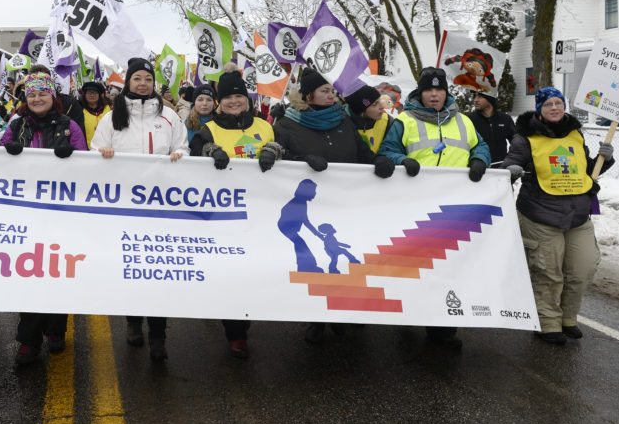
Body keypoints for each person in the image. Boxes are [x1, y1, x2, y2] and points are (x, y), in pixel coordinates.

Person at [275, 69, 396, 343]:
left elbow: (361, 152)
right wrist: (304, 159)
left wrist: (377, 161)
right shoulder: (286, 125)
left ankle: (344, 312)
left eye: (332, 91)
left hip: (346, 204)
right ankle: (316, 317)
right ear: (308, 96)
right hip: (313, 208)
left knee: (344, 258)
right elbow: (280, 161)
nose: (332, 95)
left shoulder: (343, 121)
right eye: (325, 91)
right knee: (316, 261)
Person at [378, 66, 491, 350]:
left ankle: (443, 327)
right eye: (429, 89)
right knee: (416, 265)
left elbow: (481, 146)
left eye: (439, 90)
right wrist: (403, 161)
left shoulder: (464, 121)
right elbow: (387, 151)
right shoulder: (404, 120)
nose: (434, 95)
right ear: (420, 92)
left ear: (446, 93)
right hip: (414, 207)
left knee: (448, 267)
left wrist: (480, 159)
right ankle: (410, 313)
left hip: (455, 209)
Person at [91, 57, 188, 361]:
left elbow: (184, 146)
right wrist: (102, 154)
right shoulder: (111, 118)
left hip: (161, 208)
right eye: (137, 79)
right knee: (132, 270)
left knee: (157, 273)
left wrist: (179, 154)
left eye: (148, 78)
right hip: (124, 208)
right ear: (128, 82)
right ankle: (133, 322)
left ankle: (158, 336)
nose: (143, 83)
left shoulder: (169, 116)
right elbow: (94, 151)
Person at [502, 87, 613, 345]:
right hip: (540, 215)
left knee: (582, 268)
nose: (554, 108)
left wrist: (604, 159)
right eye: (548, 104)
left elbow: (584, 170)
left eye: (558, 103)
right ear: (540, 108)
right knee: (547, 272)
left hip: (577, 215)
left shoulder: (575, 134)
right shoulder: (525, 137)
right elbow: (510, 162)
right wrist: (513, 169)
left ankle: (568, 318)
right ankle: (547, 322)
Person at [191, 68, 283, 359]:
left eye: (239, 96)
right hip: (224, 216)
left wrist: (274, 149)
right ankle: (235, 332)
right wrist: (208, 150)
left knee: (254, 272)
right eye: (228, 97)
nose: (234, 101)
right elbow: (191, 160)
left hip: (260, 213)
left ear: (247, 98)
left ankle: (246, 316)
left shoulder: (265, 125)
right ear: (219, 101)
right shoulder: (210, 129)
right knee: (231, 273)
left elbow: (286, 154)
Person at [1, 72, 88, 367]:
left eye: (43, 94)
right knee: (28, 273)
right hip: (25, 212)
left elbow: (87, 163)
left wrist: (72, 156)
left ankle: (55, 330)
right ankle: (28, 339)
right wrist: (7, 152)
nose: (37, 99)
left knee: (57, 271)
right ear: (26, 100)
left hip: (61, 211)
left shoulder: (69, 126)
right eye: (32, 95)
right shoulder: (17, 126)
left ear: (53, 97)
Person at [467, 92, 516, 164]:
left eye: (480, 97)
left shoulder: (505, 119)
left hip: (501, 168)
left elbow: (517, 142)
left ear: (490, 99)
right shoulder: (469, 119)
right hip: (478, 168)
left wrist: (511, 159)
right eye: (475, 96)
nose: (475, 100)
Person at [345, 84, 391, 154]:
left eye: (380, 101)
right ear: (361, 112)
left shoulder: (388, 121)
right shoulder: (341, 125)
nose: (382, 106)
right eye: (375, 104)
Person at [78, 81, 110, 148]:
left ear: (99, 95)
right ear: (85, 95)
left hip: (107, 149)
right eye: (89, 93)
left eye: (95, 93)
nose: (92, 95)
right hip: (89, 151)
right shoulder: (80, 111)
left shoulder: (107, 109)